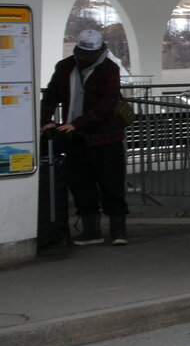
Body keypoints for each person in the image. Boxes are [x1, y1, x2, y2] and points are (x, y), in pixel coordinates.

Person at [40, 29, 129, 246]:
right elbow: (51, 95)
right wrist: (45, 120)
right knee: (80, 183)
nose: (83, 58)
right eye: (80, 53)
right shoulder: (65, 67)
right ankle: (92, 231)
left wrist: (76, 123)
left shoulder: (109, 69)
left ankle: (118, 230)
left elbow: (107, 105)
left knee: (111, 183)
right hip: (77, 137)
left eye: (88, 55)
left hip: (106, 137)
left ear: (100, 51)